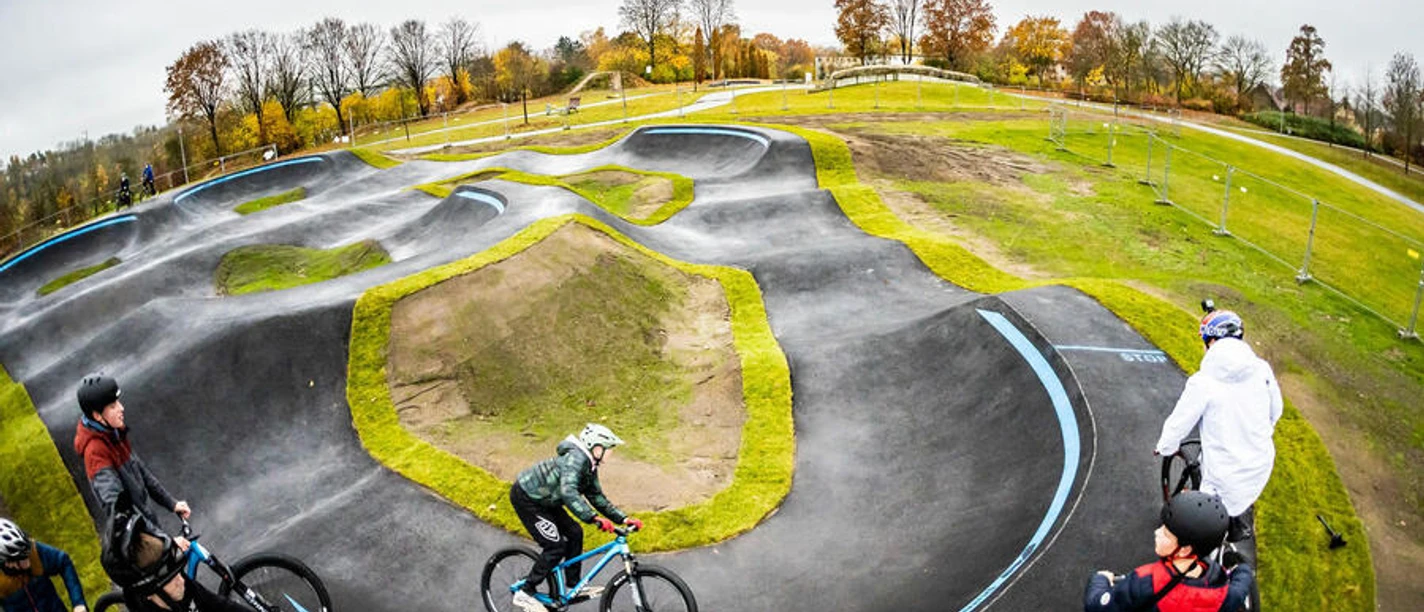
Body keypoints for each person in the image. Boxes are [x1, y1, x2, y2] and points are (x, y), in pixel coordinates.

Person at [1155, 309, 1282, 543]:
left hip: (1223, 473)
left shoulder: (1204, 382)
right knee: (1237, 500)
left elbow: (1180, 421)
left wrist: (1165, 446)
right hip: (1260, 462)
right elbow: (1276, 411)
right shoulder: (1261, 368)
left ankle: (1208, 558)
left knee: (1201, 531)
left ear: (1211, 341)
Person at [508, 424, 642, 612]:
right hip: (528, 498)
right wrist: (593, 518)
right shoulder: (576, 460)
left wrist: (624, 519)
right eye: (609, 449)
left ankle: (573, 585)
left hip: (547, 501)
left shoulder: (590, 465)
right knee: (555, 547)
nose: (611, 454)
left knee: (575, 532)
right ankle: (525, 591)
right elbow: (569, 492)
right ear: (596, 448)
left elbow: (596, 496)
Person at [1084, 491, 1253, 611]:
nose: (1157, 532)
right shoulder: (1224, 594)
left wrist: (1100, 580)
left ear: (1185, 550)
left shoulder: (1145, 581)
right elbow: (1241, 586)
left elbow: (1098, 606)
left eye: (1166, 533)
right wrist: (1242, 569)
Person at [72, 375, 192, 526]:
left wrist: (171, 503)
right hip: (142, 542)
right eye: (113, 406)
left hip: (152, 529)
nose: (121, 408)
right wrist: (167, 542)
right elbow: (122, 515)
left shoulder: (113, 433)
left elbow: (140, 471)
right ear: (97, 416)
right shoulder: (96, 454)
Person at [100, 509, 248, 612]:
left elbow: (220, 606)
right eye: (171, 579)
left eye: (177, 572)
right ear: (149, 593)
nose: (181, 580)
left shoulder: (184, 586)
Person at [0, 519, 88, 612]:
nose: (28, 561)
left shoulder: (34, 552)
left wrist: (78, 603)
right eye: (21, 559)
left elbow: (63, 562)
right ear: (7, 562)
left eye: (26, 555)